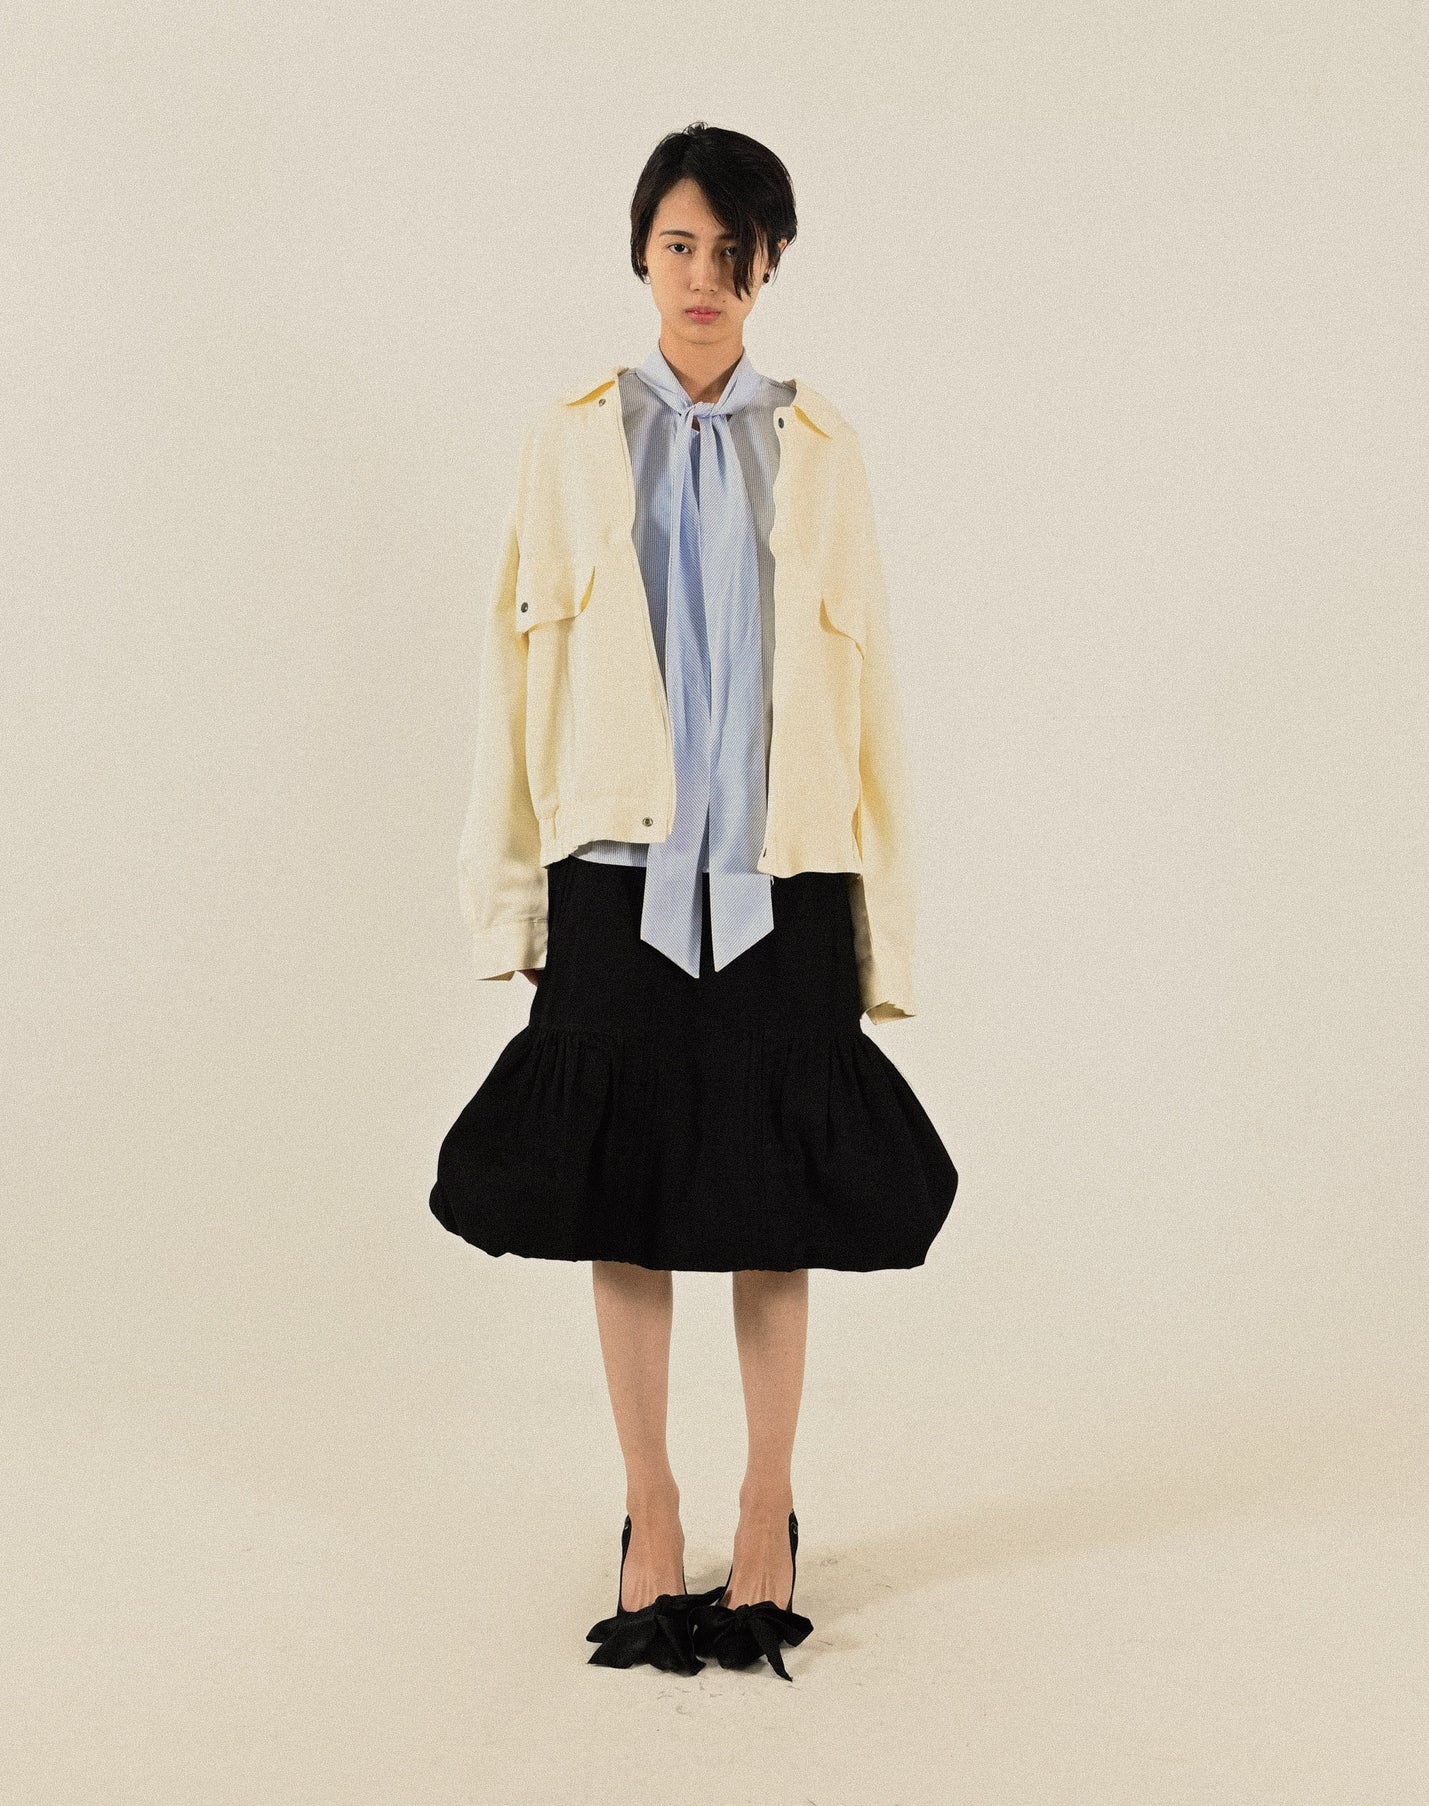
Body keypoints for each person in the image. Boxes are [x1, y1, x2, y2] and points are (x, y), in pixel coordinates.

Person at [430, 122, 959, 1681]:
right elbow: (511, 678)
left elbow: (871, 696)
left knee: (771, 1199)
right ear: (641, 255)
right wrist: (511, 903)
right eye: (679, 247)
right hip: (616, 875)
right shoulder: (570, 441)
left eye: (733, 252)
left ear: (768, 264)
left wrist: (880, 924)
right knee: (626, 1193)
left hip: (783, 878)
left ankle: (766, 1500)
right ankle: (650, 1507)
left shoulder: (825, 451)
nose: (704, 278)